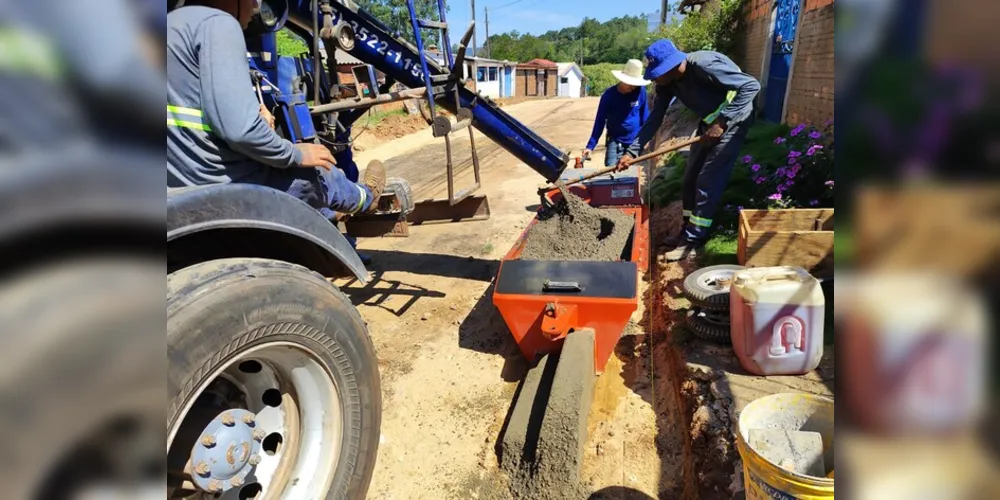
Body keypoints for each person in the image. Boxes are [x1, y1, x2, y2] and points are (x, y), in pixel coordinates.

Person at [166, 0, 386, 218]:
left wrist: (257, 123)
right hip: (223, 186)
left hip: (179, 188)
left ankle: (330, 213)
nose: (255, 7)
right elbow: (240, 131)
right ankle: (365, 198)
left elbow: (200, 119)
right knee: (319, 172)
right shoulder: (218, 24)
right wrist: (296, 154)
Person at [618, 40, 760, 261]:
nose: (654, 78)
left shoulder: (705, 65)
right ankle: (686, 229)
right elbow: (654, 120)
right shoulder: (667, 84)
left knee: (708, 179)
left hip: (735, 120)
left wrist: (723, 122)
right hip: (709, 122)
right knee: (690, 178)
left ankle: (693, 242)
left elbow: (750, 86)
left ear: (670, 66)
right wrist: (632, 152)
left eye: (656, 73)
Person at [582, 59, 650, 167]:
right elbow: (600, 122)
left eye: (635, 85)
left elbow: (645, 116)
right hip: (615, 140)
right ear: (622, 80)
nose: (633, 88)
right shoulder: (609, 96)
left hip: (635, 142)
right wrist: (590, 146)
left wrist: (645, 139)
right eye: (630, 84)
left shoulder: (641, 92)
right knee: (611, 171)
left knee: (632, 174)